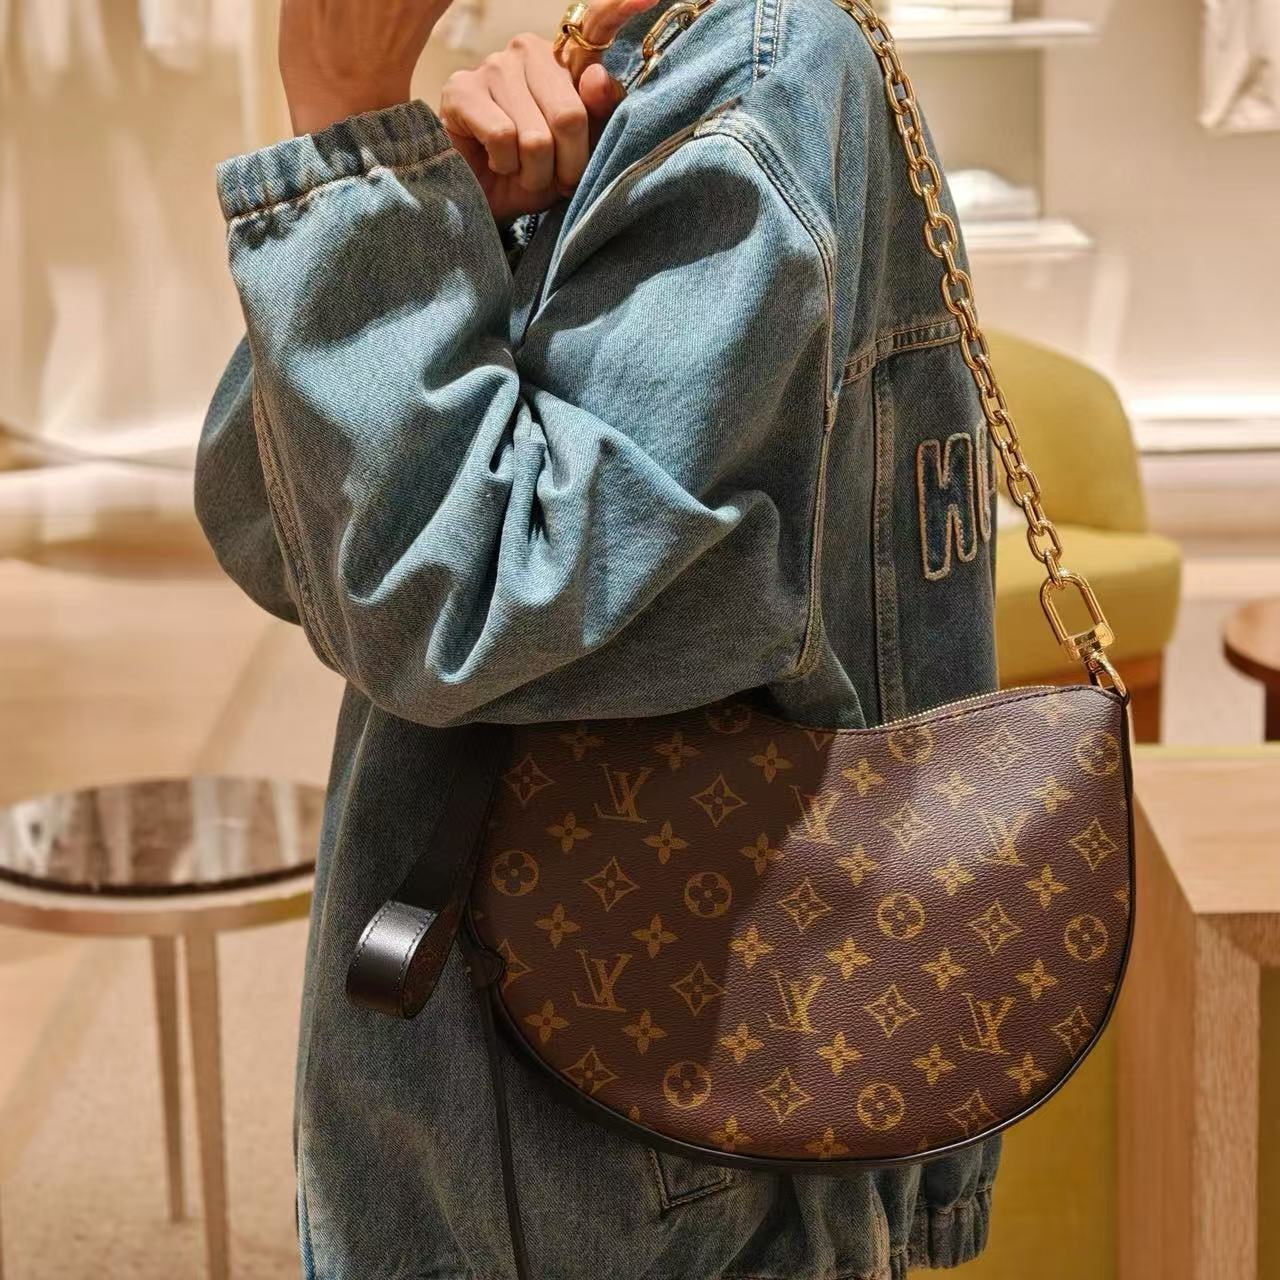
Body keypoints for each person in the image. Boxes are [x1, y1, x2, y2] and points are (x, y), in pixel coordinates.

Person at [194, 0, 1002, 1275]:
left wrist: (343, 109)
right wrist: (436, 220)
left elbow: (456, 607)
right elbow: (280, 533)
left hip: (608, 1111)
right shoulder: (665, 64)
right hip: (601, 1074)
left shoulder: (749, 74)